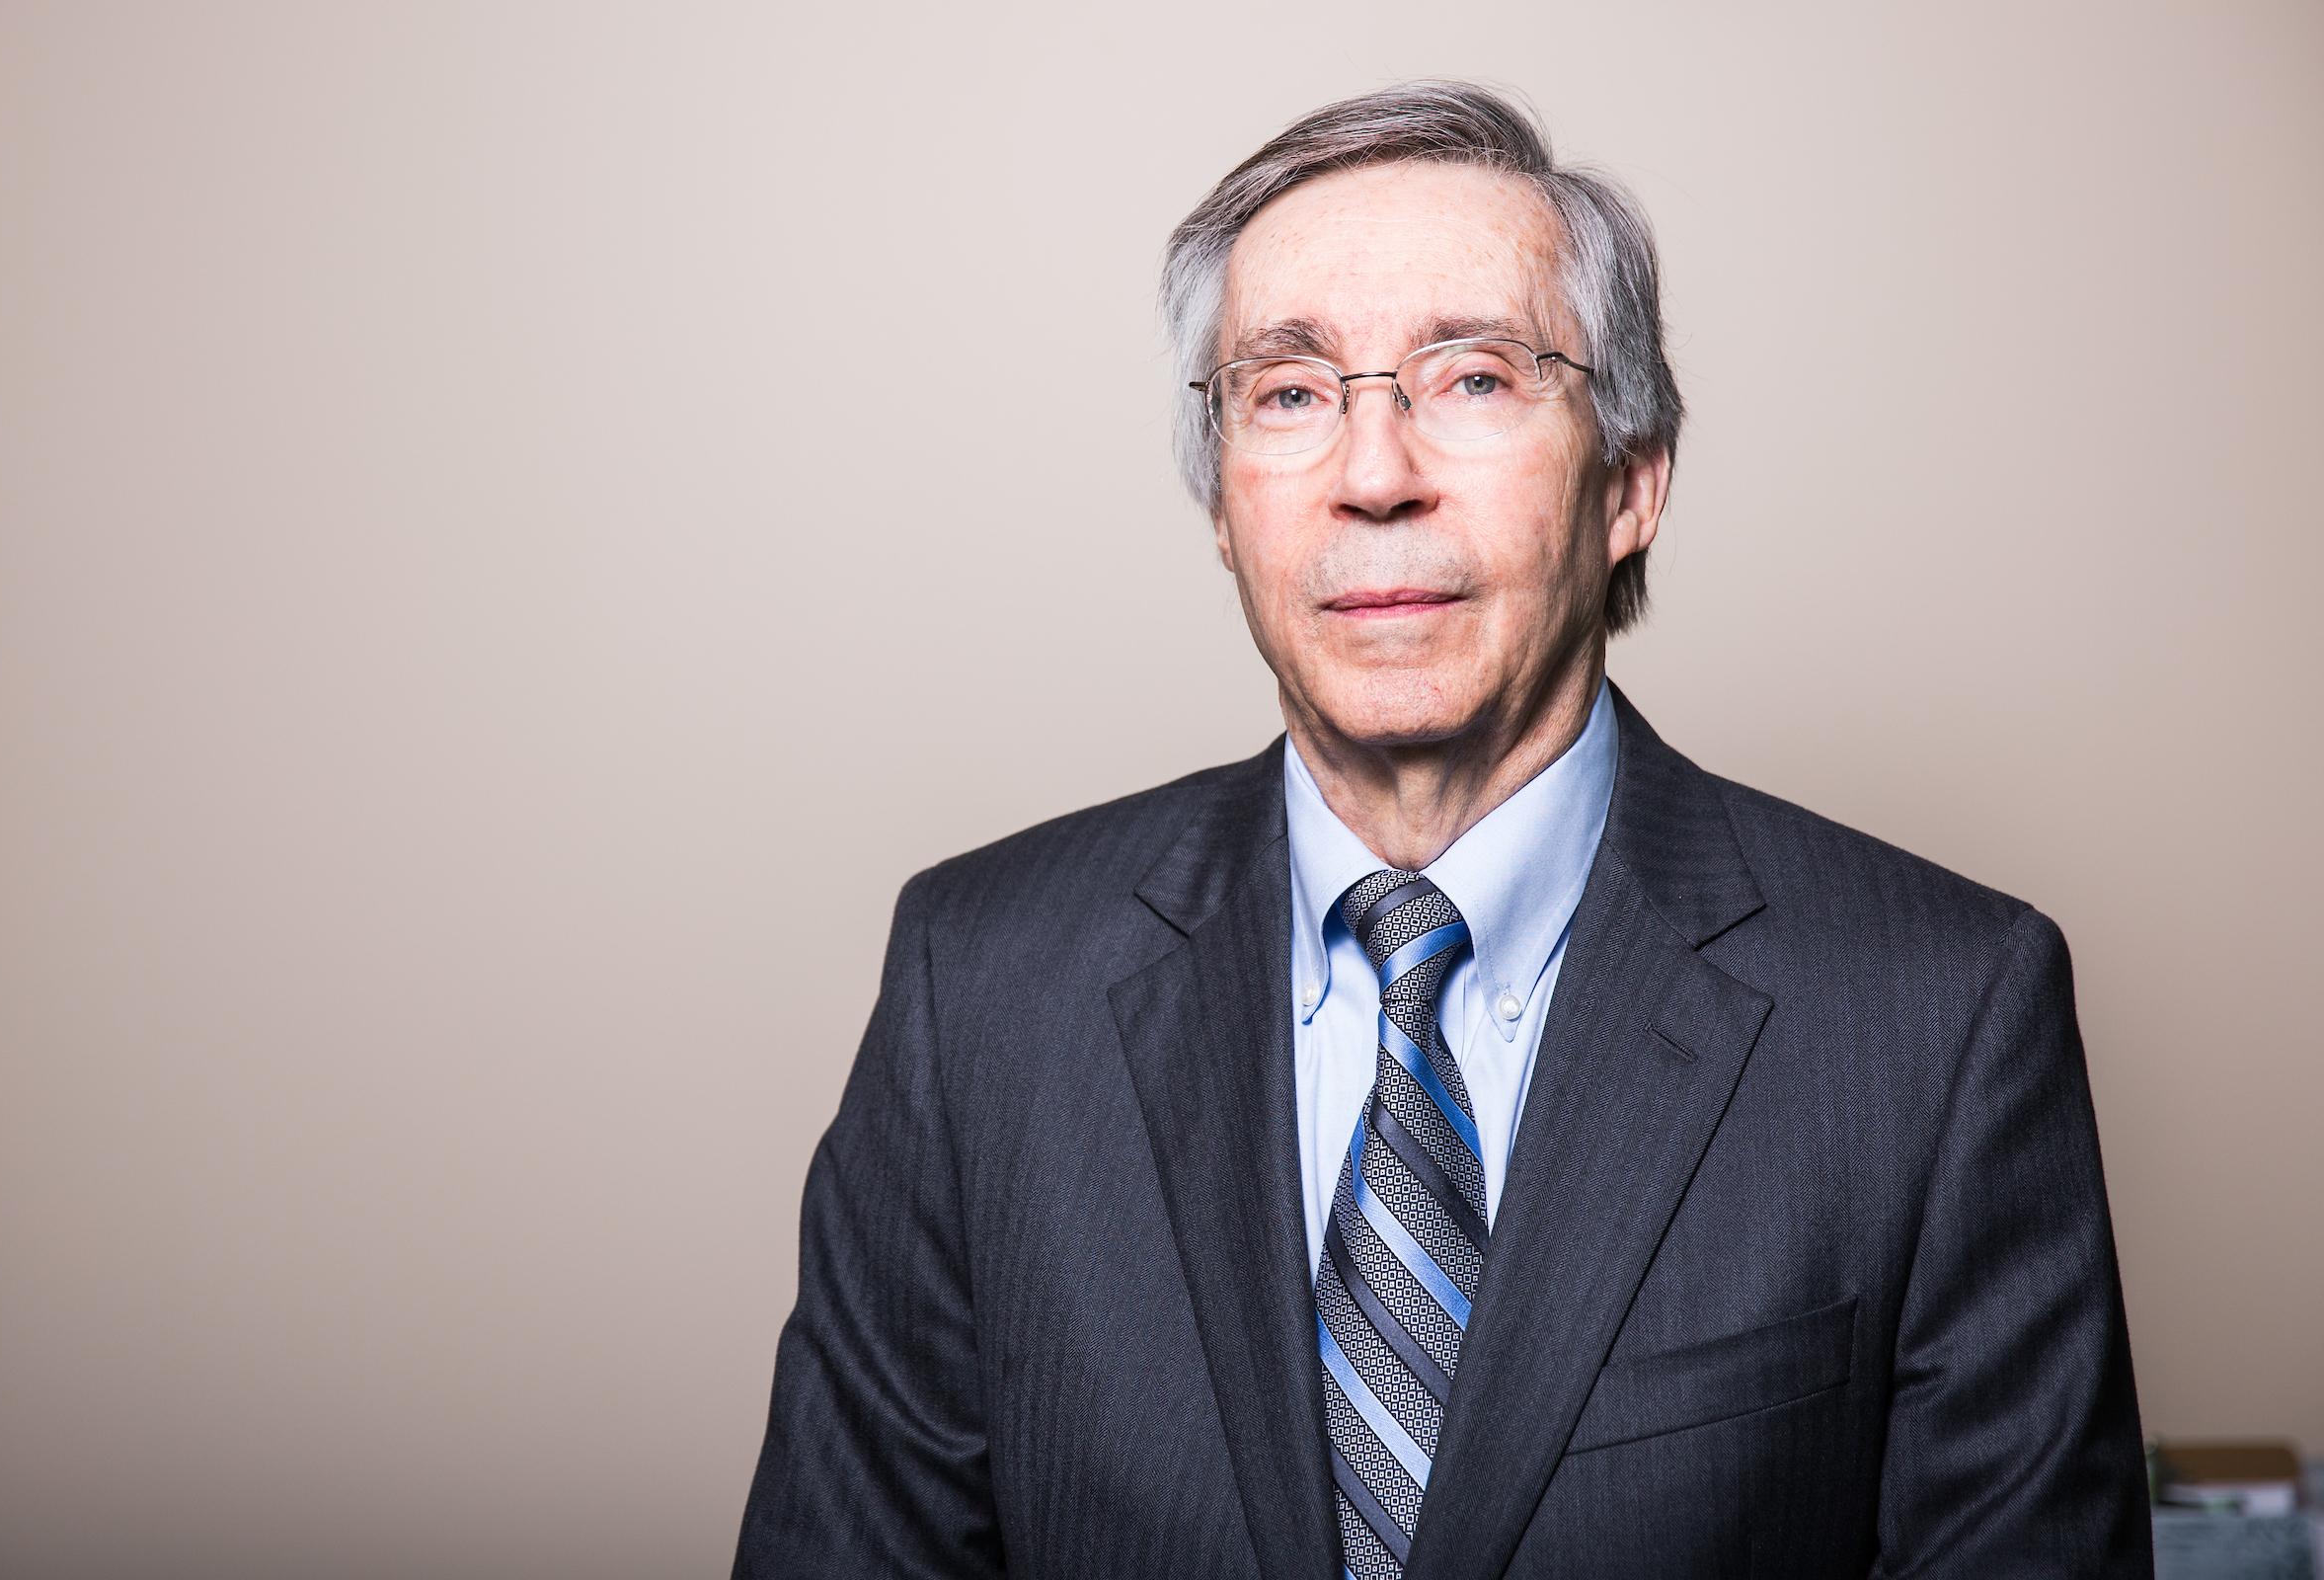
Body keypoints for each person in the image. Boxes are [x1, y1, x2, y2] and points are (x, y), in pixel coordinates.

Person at [734, 79, 2151, 1579]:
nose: (1372, 474)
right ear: (1223, 506)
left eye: (1472, 378)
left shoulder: (1940, 1015)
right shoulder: (983, 987)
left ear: (1630, 480)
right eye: (1287, 392)